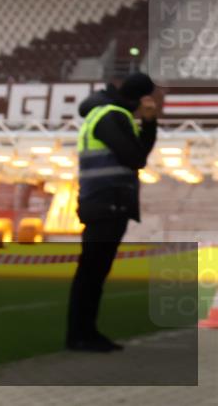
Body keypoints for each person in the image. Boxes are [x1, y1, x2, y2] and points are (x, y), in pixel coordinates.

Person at [66, 72, 157, 352]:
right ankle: (81, 335)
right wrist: (149, 121)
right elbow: (135, 158)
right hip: (106, 202)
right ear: (141, 97)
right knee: (92, 273)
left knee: (94, 272)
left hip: (106, 202)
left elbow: (136, 153)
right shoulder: (111, 116)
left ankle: (84, 333)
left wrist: (149, 122)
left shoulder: (107, 114)